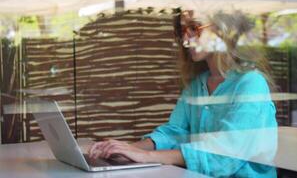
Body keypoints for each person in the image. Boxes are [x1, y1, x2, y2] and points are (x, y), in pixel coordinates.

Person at [88, 10, 278, 177]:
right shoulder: (197, 85)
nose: (186, 40)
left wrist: (146, 156)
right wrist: (127, 149)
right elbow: (176, 132)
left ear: (222, 29)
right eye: (182, 32)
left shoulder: (251, 84)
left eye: (194, 28)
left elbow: (225, 154)